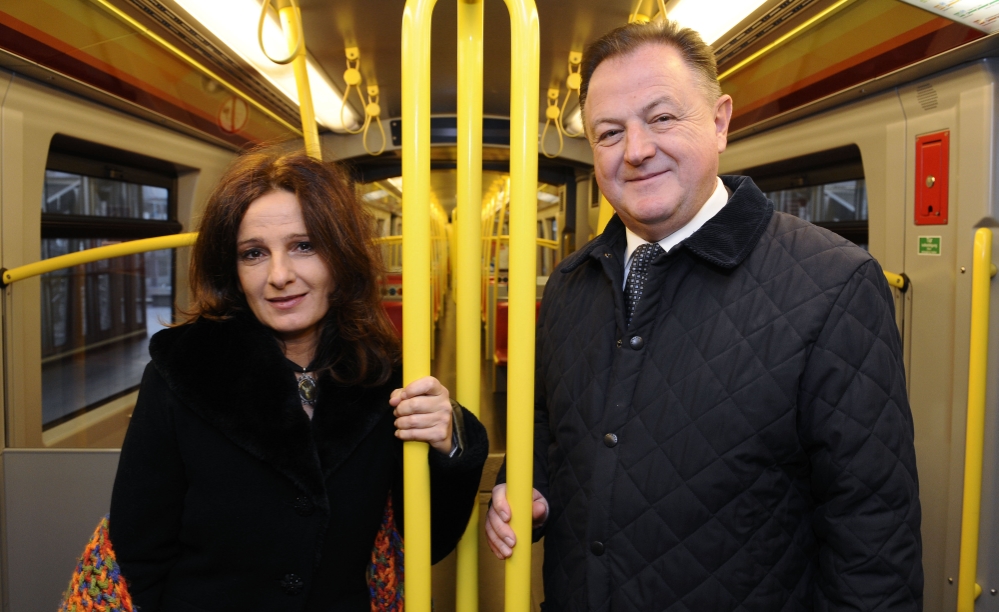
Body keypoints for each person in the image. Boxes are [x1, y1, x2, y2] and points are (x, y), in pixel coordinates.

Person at [485, 19, 922, 611]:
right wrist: (525, 484)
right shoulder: (570, 286)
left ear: (719, 121)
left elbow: (872, 541)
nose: (636, 150)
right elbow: (547, 432)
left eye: (662, 119)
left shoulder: (834, 284)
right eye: (609, 133)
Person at [109, 149, 488, 611]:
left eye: (303, 246)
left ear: (340, 256)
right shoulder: (181, 374)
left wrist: (448, 445)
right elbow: (138, 552)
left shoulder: (386, 378)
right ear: (233, 271)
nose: (280, 276)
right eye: (253, 254)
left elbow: (426, 541)